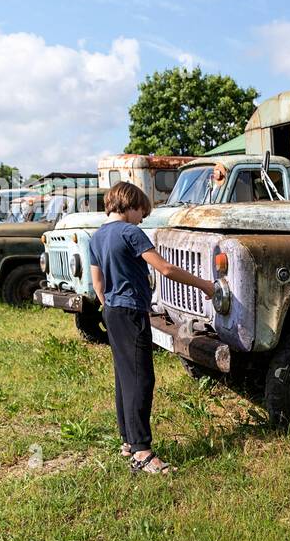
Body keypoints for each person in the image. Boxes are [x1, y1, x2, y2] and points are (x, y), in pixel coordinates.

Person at [88, 181, 215, 474]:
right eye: (141, 212)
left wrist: (109, 307)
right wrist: (204, 284)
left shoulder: (96, 237)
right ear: (130, 204)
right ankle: (142, 452)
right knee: (141, 379)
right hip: (131, 311)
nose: (142, 218)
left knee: (124, 376)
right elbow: (165, 269)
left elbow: (97, 284)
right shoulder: (131, 233)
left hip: (112, 311)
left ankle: (127, 441)